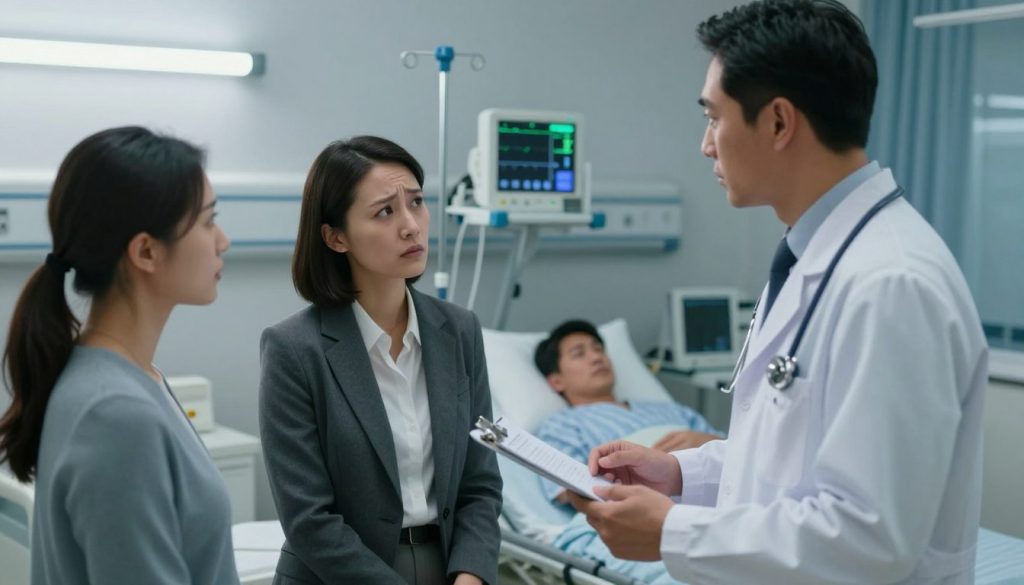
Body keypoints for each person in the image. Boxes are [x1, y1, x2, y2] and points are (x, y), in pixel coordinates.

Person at [568, 2, 988, 584]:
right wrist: (683, 476)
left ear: (779, 122)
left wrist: (672, 532)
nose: (706, 145)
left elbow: (867, 534)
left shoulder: (891, 285)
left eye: (714, 118)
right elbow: (788, 466)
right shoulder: (812, 257)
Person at [258, 136, 502, 585]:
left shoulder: (459, 331)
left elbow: (480, 483)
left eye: (416, 202)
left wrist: (472, 574)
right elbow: (309, 519)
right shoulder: (294, 350)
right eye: (385, 211)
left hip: (447, 568)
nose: (411, 225)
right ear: (335, 237)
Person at [0, 127, 236, 584]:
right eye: (208, 221)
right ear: (146, 251)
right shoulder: (115, 413)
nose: (222, 240)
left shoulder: (127, 378)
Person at [532, 319, 720, 505]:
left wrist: (707, 442)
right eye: (579, 354)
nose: (596, 357)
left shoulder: (673, 410)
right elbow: (568, 488)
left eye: (598, 349)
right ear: (556, 381)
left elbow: (740, 453)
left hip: (720, 492)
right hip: (656, 506)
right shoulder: (562, 424)